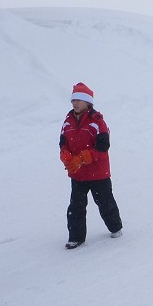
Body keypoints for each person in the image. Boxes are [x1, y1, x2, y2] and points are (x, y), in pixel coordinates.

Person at [59, 82, 122, 249]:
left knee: (105, 202)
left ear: (88, 102)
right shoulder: (68, 121)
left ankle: (116, 228)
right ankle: (76, 237)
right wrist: (65, 155)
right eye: (73, 100)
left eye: (79, 100)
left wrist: (82, 158)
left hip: (98, 174)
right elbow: (63, 142)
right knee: (76, 207)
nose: (75, 103)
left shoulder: (97, 122)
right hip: (78, 174)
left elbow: (103, 147)